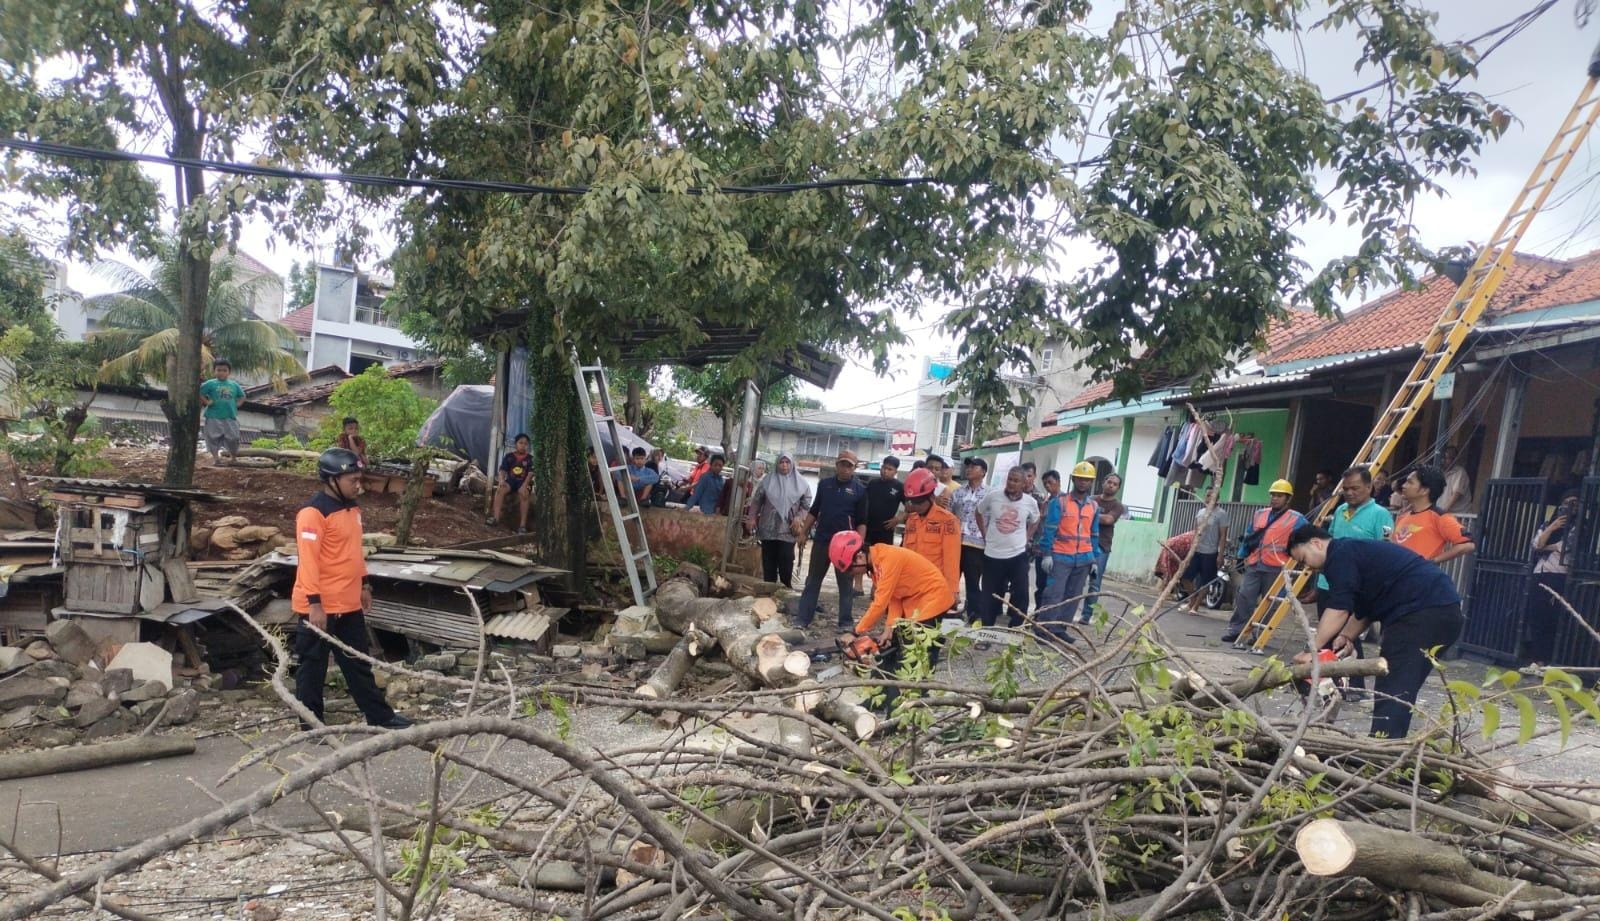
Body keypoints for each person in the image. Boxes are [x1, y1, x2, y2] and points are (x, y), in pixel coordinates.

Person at [1288, 524, 1464, 738]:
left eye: (1304, 559)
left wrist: (1312, 650)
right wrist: (1346, 636)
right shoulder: (1354, 553)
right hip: (1439, 611)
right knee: (1399, 682)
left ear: (1316, 543)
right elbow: (1365, 609)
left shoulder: (1340, 555)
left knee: (1395, 684)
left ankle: (1383, 745)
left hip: (1423, 612)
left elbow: (1339, 609)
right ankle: (1387, 741)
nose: (1307, 567)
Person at [291, 448, 411, 730]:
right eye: (352, 480)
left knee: (358, 662)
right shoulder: (312, 514)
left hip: (348, 602)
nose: (359, 485)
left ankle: (380, 717)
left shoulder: (351, 509)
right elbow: (308, 562)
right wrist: (314, 604)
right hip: (319, 606)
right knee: (312, 666)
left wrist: (364, 583)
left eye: (359, 479)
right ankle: (311, 724)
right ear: (332, 480)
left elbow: (353, 552)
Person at [830, 532, 956, 710]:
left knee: (913, 655)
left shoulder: (888, 559)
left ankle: (908, 704)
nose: (852, 574)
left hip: (932, 600)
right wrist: (889, 628)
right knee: (888, 650)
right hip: (914, 601)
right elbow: (894, 597)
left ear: (859, 557)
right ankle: (878, 698)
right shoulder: (876, 566)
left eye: (851, 569)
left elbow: (879, 604)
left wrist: (855, 632)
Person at [1318, 466, 1395, 697]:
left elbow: (1385, 551)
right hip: (1328, 582)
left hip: (1356, 587)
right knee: (1326, 636)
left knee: (1348, 638)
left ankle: (1355, 686)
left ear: (1369, 487)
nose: (1350, 493)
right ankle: (1328, 684)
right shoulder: (1340, 510)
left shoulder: (1380, 514)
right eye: (1346, 489)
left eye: (1355, 488)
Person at [1221, 479, 1304, 645]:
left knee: (1270, 603)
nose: (1274, 498)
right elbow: (1249, 535)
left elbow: (1304, 540)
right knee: (1244, 596)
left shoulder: (1297, 519)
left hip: (1277, 567)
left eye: (1279, 496)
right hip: (1255, 563)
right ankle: (1237, 631)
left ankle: (1259, 635)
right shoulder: (1260, 514)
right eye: (1273, 495)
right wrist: (1241, 555)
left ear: (1288, 498)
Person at [795, 450, 869, 628]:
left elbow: (862, 522)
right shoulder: (825, 485)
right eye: (842, 464)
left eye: (849, 466)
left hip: (846, 547)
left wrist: (858, 547)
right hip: (823, 540)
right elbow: (814, 510)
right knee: (813, 581)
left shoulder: (860, 491)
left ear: (854, 468)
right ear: (837, 465)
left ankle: (845, 622)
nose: (845, 468)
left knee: (845, 584)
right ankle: (802, 619)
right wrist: (803, 532)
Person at [1035, 461, 1100, 639]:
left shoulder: (1094, 506)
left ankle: (1059, 630)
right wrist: (1047, 554)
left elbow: (1094, 534)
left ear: (1091, 482)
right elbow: (1049, 530)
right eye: (1080, 478)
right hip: (1061, 556)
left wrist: (1094, 559)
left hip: (1084, 559)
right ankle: (1043, 630)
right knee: (1053, 595)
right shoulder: (1060, 502)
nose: (1083, 482)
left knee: (1073, 596)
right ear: (1073, 479)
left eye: (1087, 479)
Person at [975, 466, 1040, 631]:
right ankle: (987, 629)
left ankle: (1016, 628)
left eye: (1016, 481)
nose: (1011, 483)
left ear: (1024, 483)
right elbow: (978, 512)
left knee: (1021, 594)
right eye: (1010, 479)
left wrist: (1027, 537)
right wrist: (984, 534)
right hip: (992, 555)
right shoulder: (993, 496)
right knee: (989, 595)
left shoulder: (1030, 502)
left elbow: (1035, 520)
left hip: (1017, 555)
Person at [1521, 491, 1579, 674]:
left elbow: (1566, 547)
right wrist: (1552, 527)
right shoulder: (1548, 523)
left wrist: (1544, 546)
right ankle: (1537, 660)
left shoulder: (1579, 525)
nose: (1569, 508)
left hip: (1559, 574)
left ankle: (1549, 661)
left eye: (1574, 504)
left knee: (1553, 619)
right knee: (1536, 616)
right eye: (1566, 503)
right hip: (1540, 572)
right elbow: (1536, 544)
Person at [1392, 466, 1476, 564]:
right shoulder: (1403, 516)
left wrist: (1433, 561)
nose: (1404, 486)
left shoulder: (1439, 517)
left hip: (1419, 573)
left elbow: (1468, 544)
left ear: (1424, 490)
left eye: (1410, 482)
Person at [750, 454, 811, 587]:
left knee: (786, 561)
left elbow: (806, 505)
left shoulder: (801, 484)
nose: (784, 465)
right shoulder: (767, 481)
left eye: (787, 462)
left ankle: (785, 589)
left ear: (792, 464)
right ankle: (768, 590)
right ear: (777, 464)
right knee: (768, 562)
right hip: (768, 529)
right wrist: (752, 518)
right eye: (781, 462)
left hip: (788, 530)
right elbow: (756, 501)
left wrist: (799, 517)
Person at [900, 467, 961, 598]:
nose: (915, 506)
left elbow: (952, 560)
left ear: (932, 496)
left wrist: (952, 590)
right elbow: (905, 554)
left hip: (934, 588)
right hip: (911, 587)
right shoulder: (911, 520)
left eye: (919, 502)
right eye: (912, 501)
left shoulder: (948, 521)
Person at [950, 457, 990, 621]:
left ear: (983, 472)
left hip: (977, 544)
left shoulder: (990, 494)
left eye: (974, 467)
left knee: (972, 581)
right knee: (951, 579)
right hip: (955, 543)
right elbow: (949, 516)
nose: (969, 469)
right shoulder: (957, 492)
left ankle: (974, 614)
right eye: (968, 466)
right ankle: (948, 610)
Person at [1085, 472, 1130, 617]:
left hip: (1102, 547)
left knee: (1094, 583)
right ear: (1103, 483)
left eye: (1115, 484)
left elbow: (1108, 520)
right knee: (1076, 580)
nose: (1111, 485)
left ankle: (1086, 615)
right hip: (1084, 543)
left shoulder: (1118, 506)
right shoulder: (1091, 499)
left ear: (1118, 488)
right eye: (1109, 482)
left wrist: (1089, 515)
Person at [1183, 487, 1231, 613]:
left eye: (1211, 495)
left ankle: (1195, 607)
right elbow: (1195, 531)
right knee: (1185, 577)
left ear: (1217, 498)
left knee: (1206, 581)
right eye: (1207, 495)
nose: (1208, 498)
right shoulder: (1200, 512)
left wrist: (1220, 555)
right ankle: (1192, 599)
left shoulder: (1221, 514)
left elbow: (1223, 536)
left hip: (1210, 553)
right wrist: (1190, 550)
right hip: (1197, 551)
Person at [199, 357, 246, 465]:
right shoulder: (210, 383)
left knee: (234, 438)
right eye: (219, 370)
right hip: (213, 416)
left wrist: (238, 404)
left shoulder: (234, 385)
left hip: (230, 416)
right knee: (212, 438)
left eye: (224, 370)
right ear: (214, 371)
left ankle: (233, 458)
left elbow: (242, 396)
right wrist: (206, 402)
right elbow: (200, 393)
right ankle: (216, 459)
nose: (221, 373)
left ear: (229, 372)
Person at [490, 433, 533, 532]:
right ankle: (495, 518)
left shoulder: (530, 458)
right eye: (520, 443)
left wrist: (524, 486)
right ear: (516, 444)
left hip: (524, 482)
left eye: (525, 444)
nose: (523, 445)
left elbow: (531, 474)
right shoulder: (509, 456)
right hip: (511, 481)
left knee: (524, 494)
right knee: (500, 490)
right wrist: (501, 480)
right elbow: (502, 470)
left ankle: (522, 526)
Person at [1034, 470, 1062, 606]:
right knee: (1040, 583)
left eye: (1050, 482)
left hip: (1057, 549)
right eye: (1045, 483)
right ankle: (1039, 611)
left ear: (1058, 482)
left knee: (1053, 586)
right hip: (1041, 548)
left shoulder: (1064, 502)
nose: (1047, 486)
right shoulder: (1045, 501)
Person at [864, 456, 905, 548]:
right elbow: (863, 503)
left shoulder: (899, 487)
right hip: (868, 529)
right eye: (884, 467)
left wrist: (898, 519)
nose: (885, 471)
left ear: (895, 472)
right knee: (865, 554)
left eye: (890, 469)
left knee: (883, 556)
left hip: (885, 531)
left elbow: (910, 507)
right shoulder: (872, 483)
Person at [1438, 446, 1473, 514]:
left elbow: (1456, 494)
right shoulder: (1441, 473)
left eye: (1448, 458)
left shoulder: (1460, 472)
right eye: (1443, 457)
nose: (1444, 460)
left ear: (1455, 459)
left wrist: (1442, 512)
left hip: (1459, 516)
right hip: (1444, 514)